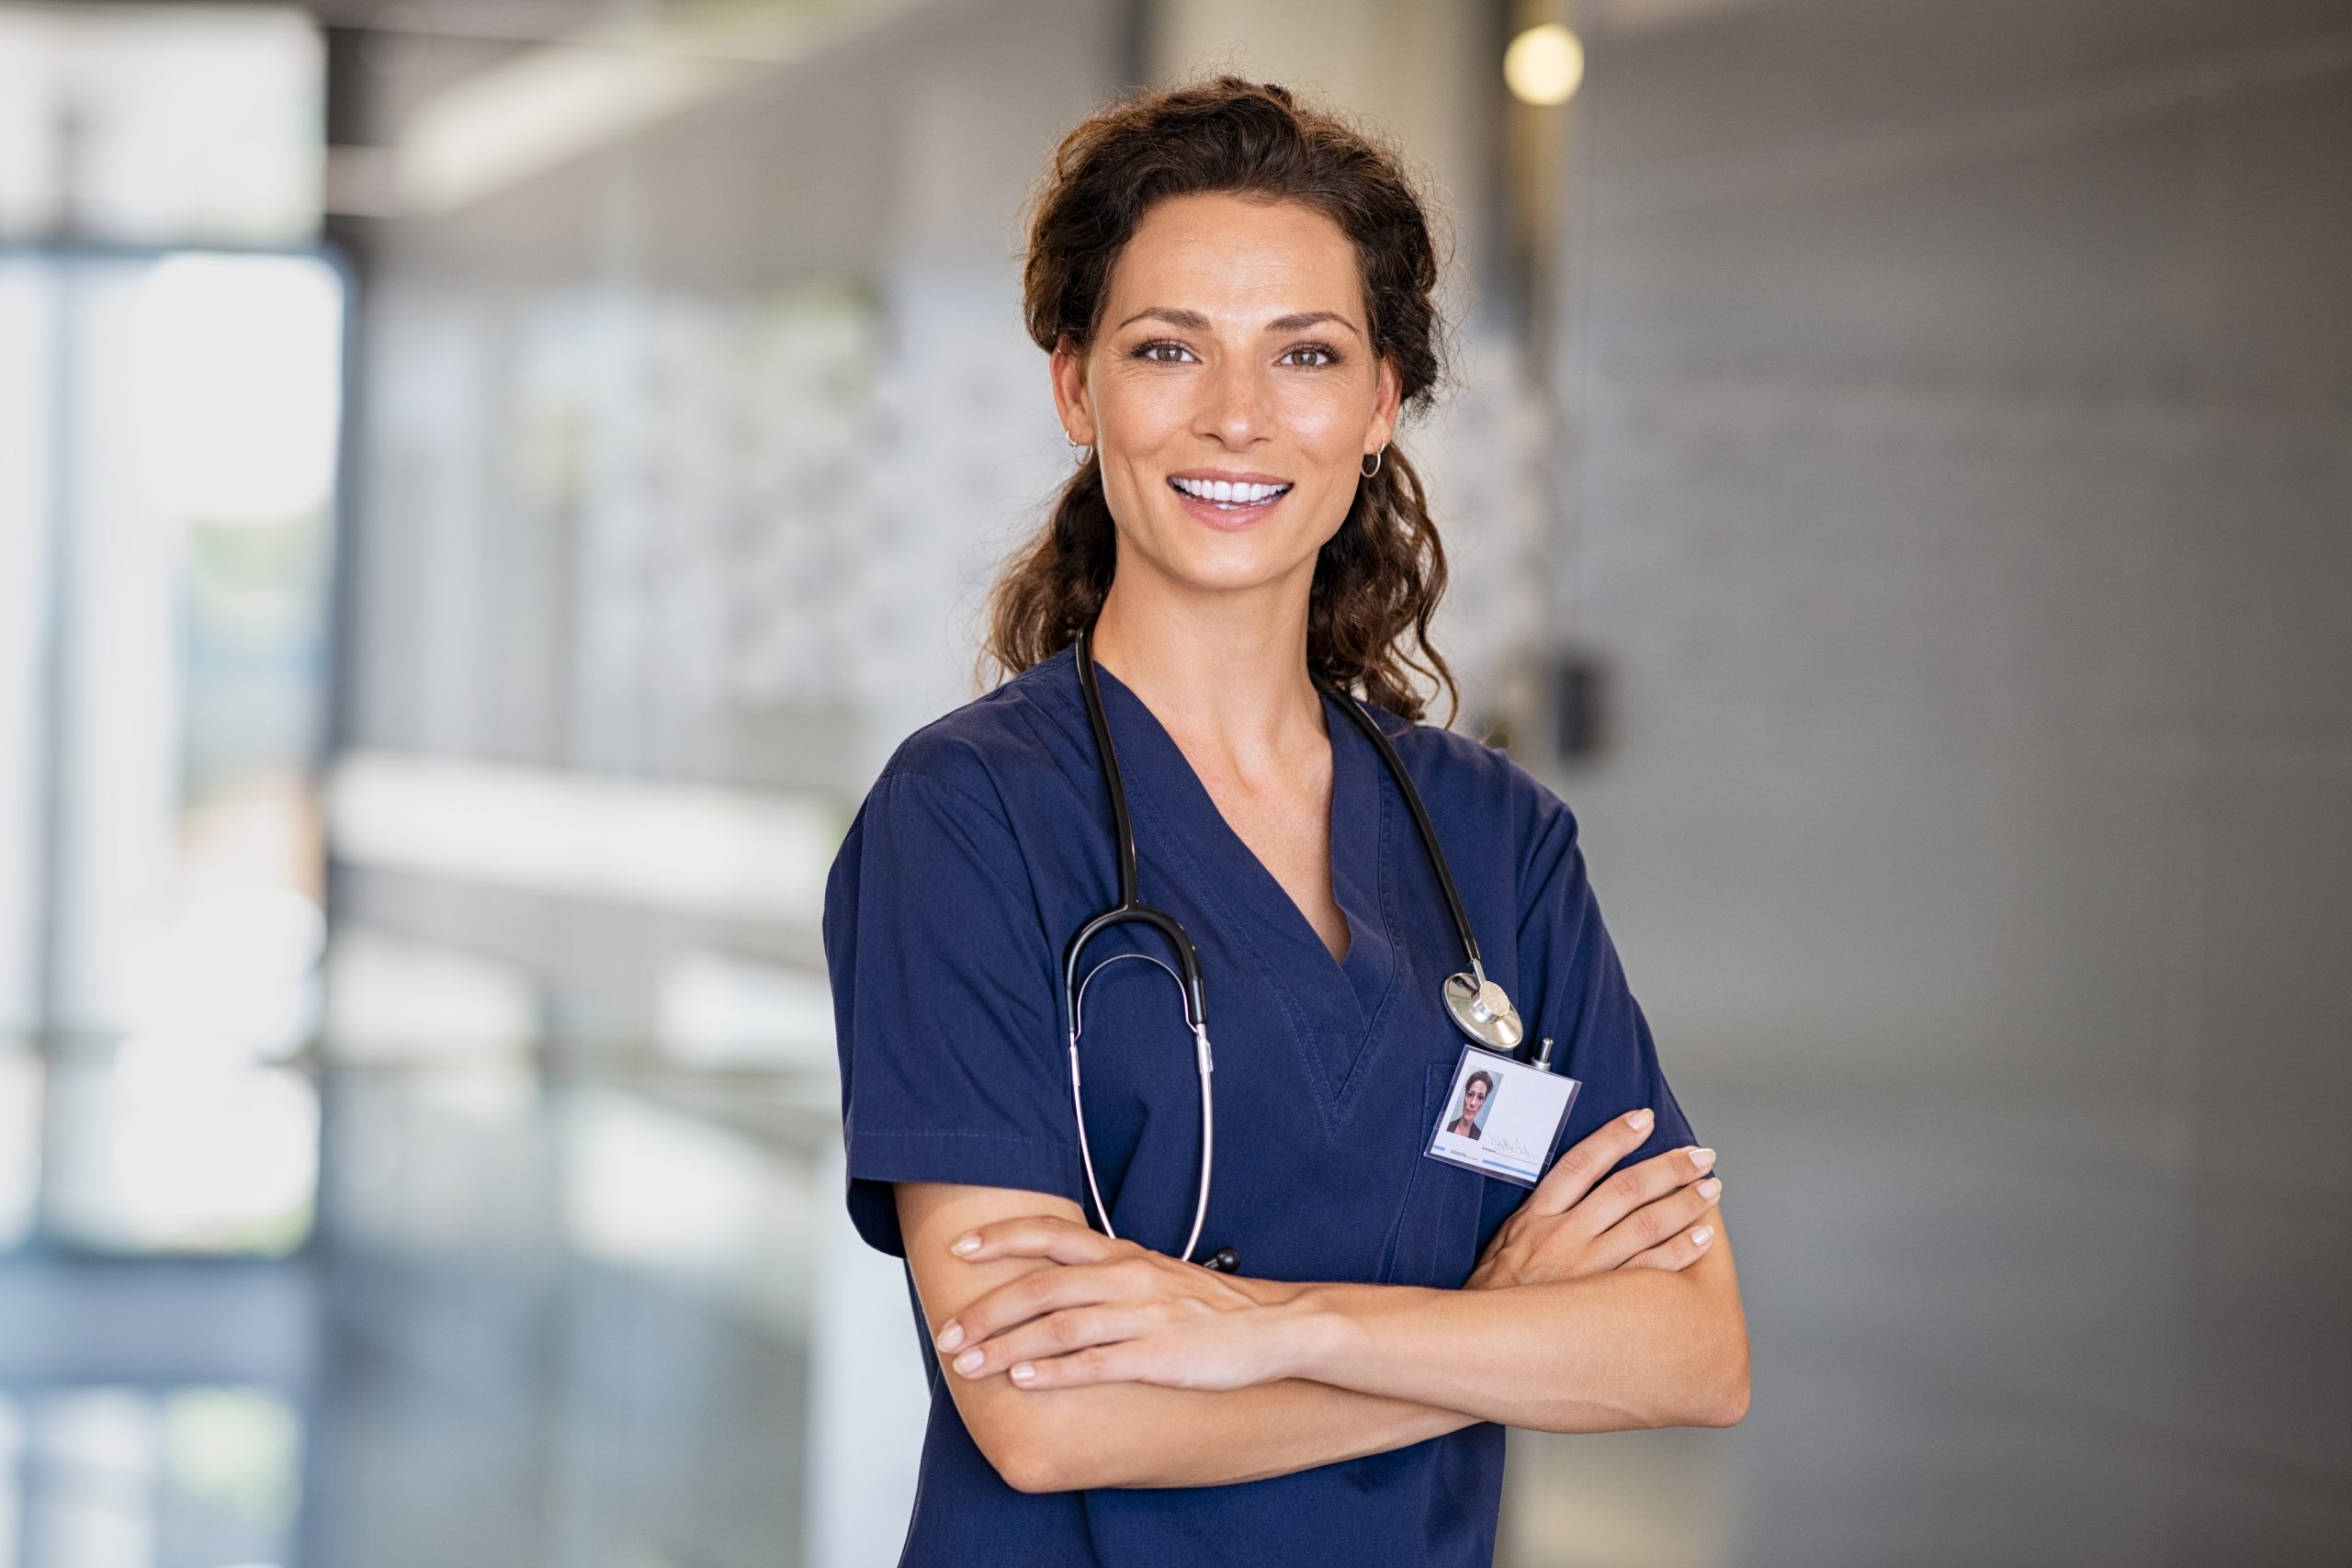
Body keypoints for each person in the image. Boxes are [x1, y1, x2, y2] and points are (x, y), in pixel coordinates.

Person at [821, 76, 1747, 1568]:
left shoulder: (1493, 839)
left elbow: (1691, 1351)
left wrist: (1263, 1329)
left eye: (1305, 354)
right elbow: (1044, 1417)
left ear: (1380, 401)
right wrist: (1493, 1338)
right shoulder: (969, 817)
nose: (1237, 415)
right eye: (1167, 347)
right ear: (1077, 386)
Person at [1446, 1071, 1494, 1140]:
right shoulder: (1445, 1126)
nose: (1473, 1103)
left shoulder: (1481, 1138)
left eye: (1480, 1098)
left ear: (1483, 1103)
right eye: (1470, 1094)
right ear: (1465, 1096)